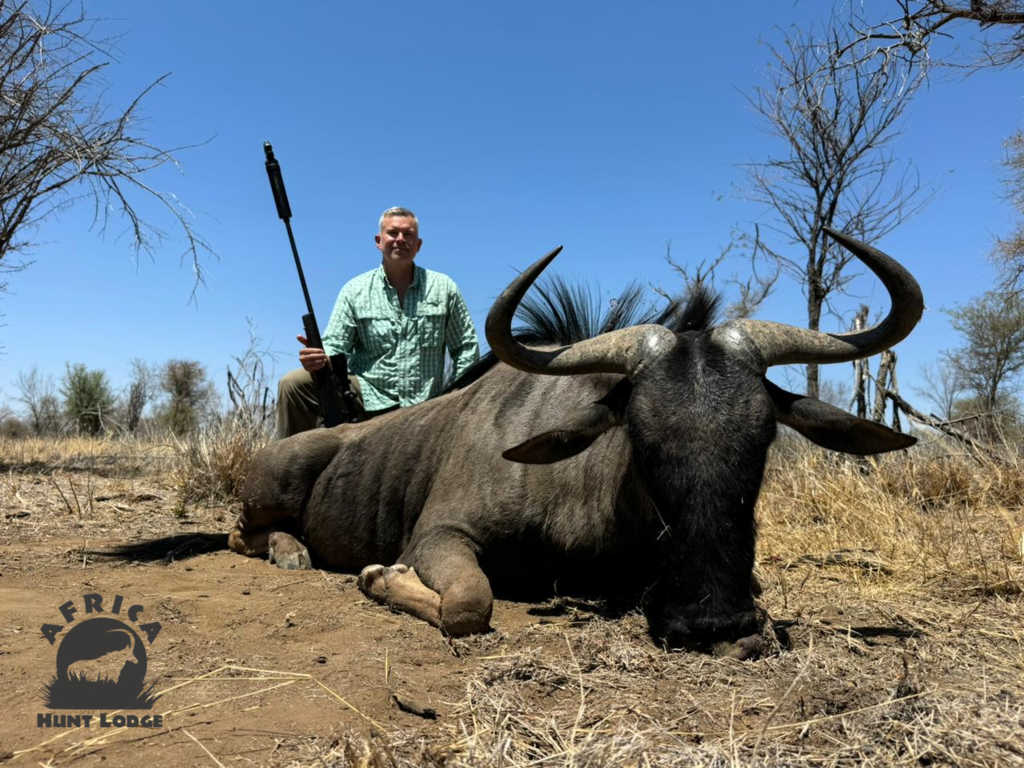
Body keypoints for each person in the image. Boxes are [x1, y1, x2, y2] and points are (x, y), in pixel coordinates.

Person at [276, 207, 480, 438]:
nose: (400, 240)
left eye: (408, 234)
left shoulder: (445, 288)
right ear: (378, 241)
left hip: (427, 403)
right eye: (393, 233)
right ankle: (284, 467)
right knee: (292, 384)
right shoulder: (355, 290)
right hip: (368, 396)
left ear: (419, 244)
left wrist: (458, 397)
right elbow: (335, 346)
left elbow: (465, 347)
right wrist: (317, 359)